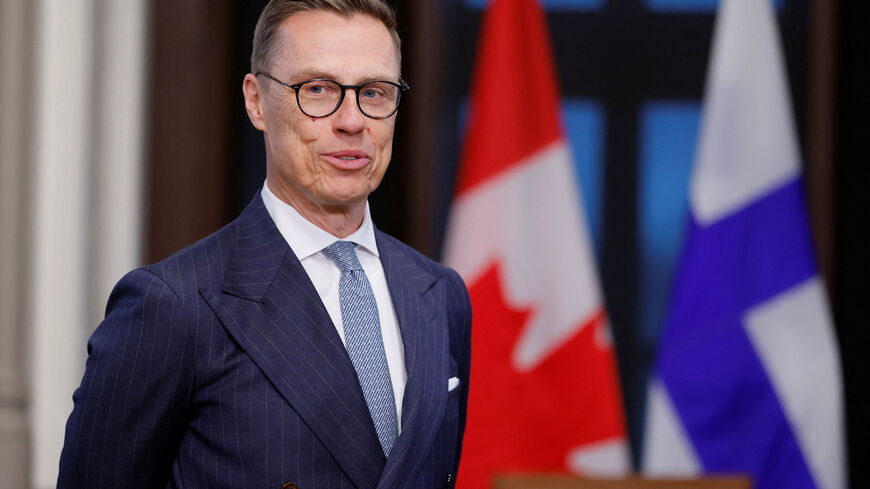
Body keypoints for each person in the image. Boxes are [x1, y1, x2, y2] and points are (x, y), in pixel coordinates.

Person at [57, 1, 471, 487]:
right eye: (317, 89)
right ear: (256, 101)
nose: (353, 121)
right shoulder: (171, 306)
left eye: (374, 92)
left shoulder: (440, 294)